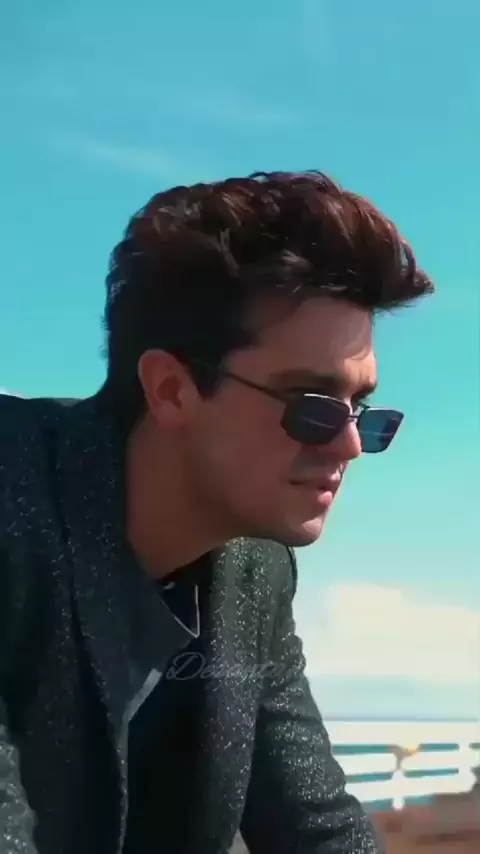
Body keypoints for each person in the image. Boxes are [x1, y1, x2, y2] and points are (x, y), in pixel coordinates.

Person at [0, 171, 434, 854]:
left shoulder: (256, 568)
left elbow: (317, 824)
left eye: (361, 410)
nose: (350, 445)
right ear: (172, 389)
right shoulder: (14, 497)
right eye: (312, 407)